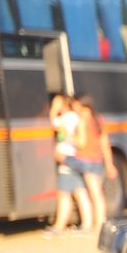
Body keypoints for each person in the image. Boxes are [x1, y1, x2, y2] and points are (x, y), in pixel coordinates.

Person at [46, 94, 93, 234]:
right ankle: (85, 224)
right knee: (76, 191)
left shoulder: (69, 117)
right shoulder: (73, 117)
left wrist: (53, 109)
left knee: (66, 193)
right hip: (71, 158)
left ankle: (60, 226)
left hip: (67, 159)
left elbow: (53, 123)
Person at [71, 94, 113, 223]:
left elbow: (81, 143)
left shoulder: (82, 120)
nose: (73, 106)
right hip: (98, 160)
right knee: (98, 193)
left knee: (94, 193)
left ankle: (99, 223)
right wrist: (109, 164)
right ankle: (101, 220)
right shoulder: (98, 119)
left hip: (86, 159)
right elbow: (105, 142)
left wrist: (69, 137)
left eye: (75, 103)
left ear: (82, 105)